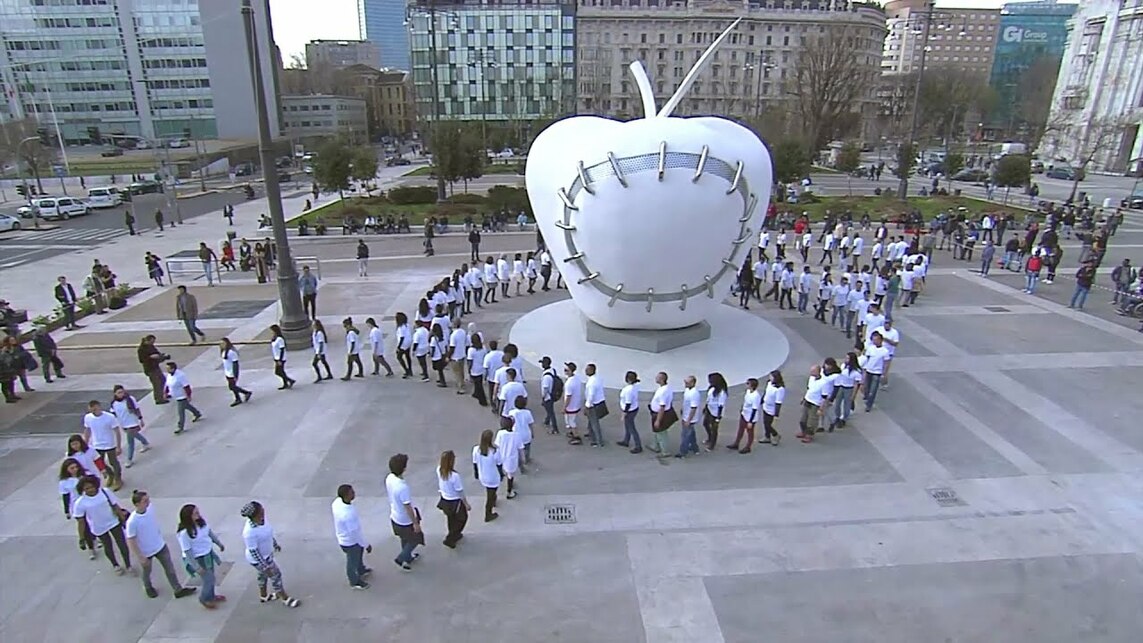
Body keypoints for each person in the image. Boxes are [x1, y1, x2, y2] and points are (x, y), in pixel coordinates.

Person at [125, 490, 196, 599]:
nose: (148, 502)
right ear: (137, 504)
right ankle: (148, 587)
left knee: (170, 569)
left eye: (148, 499)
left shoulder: (150, 508)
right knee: (147, 571)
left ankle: (177, 589)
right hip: (146, 551)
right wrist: (140, 556)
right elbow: (131, 540)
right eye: (145, 501)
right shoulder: (132, 522)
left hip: (160, 545)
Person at [240, 501, 301, 607]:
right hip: (261, 559)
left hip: (267, 554)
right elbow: (254, 551)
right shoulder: (249, 533)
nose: (263, 510)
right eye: (261, 510)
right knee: (276, 575)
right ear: (255, 515)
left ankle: (263, 596)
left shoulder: (262, 520)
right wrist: (265, 566)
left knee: (262, 576)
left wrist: (275, 544)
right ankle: (284, 598)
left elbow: (268, 533)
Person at [72, 475, 134, 575]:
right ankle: (115, 565)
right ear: (82, 489)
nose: (90, 490)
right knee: (108, 546)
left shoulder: (105, 492)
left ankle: (128, 564)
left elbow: (115, 505)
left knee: (122, 544)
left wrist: (123, 519)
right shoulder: (80, 503)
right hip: (99, 527)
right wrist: (81, 538)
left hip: (113, 522)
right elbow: (81, 522)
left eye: (92, 487)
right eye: (87, 488)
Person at [176, 504, 226, 609]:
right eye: (195, 513)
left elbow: (210, 533)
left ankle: (211, 596)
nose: (198, 514)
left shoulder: (201, 523)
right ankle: (204, 598)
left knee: (211, 576)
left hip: (207, 554)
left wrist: (219, 543)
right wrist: (197, 567)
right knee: (209, 579)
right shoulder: (184, 533)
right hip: (198, 559)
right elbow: (188, 552)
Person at [385, 453, 423, 570]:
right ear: (404, 468)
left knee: (404, 539)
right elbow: (408, 507)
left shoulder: (389, 478)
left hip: (395, 515)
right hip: (405, 520)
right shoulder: (402, 487)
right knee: (416, 539)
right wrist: (415, 523)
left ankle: (407, 558)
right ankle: (402, 557)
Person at [332, 484, 373, 589]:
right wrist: (366, 544)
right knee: (352, 561)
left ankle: (361, 569)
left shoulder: (336, 503)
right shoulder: (348, 514)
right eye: (351, 493)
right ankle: (354, 581)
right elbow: (354, 533)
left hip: (344, 537)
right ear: (346, 496)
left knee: (358, 555)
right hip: (350, 541)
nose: (354, 493)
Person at [83, 399, 124, 490]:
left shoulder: (109, 417)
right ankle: (111, 474)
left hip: (109, 444)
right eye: (92, 410)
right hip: (97, 444)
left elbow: (117, 431)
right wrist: (85, 443)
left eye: (95, 409)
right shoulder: (88, 418)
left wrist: (118, 445)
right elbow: (87, 430)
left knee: (113, 462)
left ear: (99, 407)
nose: (94, 412)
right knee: (100, 463)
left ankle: (118, 479)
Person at [59, 458, 95, 558]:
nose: (75, 469)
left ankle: (95, 537)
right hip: (77, 505)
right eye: (72, 468)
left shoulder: (85, 475)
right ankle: (90, 548)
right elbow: (65, 496)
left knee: (93, 522)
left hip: (90, 502)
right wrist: (66, 511)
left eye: (76, 467)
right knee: (84, 525)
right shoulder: (64, 482)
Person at [436, 451, 471, 549]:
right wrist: (466, 504)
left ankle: (453, 534)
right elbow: (460, 491)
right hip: (455, 501)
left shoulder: (439, 470)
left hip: (445, 499)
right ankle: (451, 537)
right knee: (462, 519)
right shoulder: (455, 476)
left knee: (451, 519)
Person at [110, 385, 150, 468]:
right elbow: (114, 414)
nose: (121, 394)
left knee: (130, 441)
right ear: (115, 394)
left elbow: (137, 409)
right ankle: (145, 442)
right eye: (119, 393)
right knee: (135, 435)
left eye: (122, 392)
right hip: (123, 423)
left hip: (132, 422)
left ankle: (129, 459)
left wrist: (140, 419)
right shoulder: (114, 403)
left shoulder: (130, 399)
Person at [164, 361, 202, 434]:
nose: (167, 370)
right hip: (175, 395)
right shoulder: (169, 375)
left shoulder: (180, 376)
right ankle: (197, 413)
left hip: (182, 396)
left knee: (180, 412)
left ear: (173, 369)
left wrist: (189, 396)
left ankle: (180, 426)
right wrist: (165, 392)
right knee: (187, 406)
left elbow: (186, 386)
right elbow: (167, 384)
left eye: (168, 369)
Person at [472, 430, 502, 522]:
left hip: (483, 476)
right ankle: (488, 514)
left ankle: (493, 500)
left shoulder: (476, 450)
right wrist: (501, 475)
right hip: (493, 477)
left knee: (490, 491)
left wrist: (476, 474)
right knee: (490, 494)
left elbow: (475, 463)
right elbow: (499, 464)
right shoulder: (494, 451)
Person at [727, 377, 761, 453]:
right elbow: (745, 402)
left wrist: (750, 421)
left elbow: (754, 409)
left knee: (750, 432)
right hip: (744, 414)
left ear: (752, 385)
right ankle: (736, 443)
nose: (746, 385)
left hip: (750, 416)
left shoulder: (756, 396)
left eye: (747, 383)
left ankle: (748, 447)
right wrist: (742, 409)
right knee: (740, 429)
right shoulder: (748, 392)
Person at [494, 414, 524, 499]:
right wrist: (522, 459)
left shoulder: (500, 433)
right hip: (511, 459)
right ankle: (509, 492)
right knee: (510, 475)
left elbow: (497, 445)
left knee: (503, 473)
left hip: (501, 456)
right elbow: (520, 448)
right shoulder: (516, 435)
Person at [860, 331, 891, 412]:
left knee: (873, 390)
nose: (874, 342)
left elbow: (886, 363)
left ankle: (869, 405)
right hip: (869, 370)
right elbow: (866, 359)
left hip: (877, 373)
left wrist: (884, 373)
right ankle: (866, 397)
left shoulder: (885, 351)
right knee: (866, 387)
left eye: (876, 340)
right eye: (873, 340)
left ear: (880, 340)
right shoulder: (871, 348)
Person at [220, 338, 253, 406]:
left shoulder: (231, 352)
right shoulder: (224, 351)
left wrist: (235, 375)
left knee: (232, 387)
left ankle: (245, 393)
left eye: (223, 343)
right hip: (227, 372)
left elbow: (235, 364)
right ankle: (239, 398)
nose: (221, 345)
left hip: (231, 372)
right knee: (232, 387)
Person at [649, 371, 674, 457]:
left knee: (661, 433)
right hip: (657, 412)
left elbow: (662, 406)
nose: (656, 378)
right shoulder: (665, 388)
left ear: (662, 379)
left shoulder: (663, 391)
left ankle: (665, 451)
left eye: (658, 377)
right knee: (657, 431)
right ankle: (655, 446)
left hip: (660, 414)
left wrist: (658, 420)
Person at [617, 370, 643, 453]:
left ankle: (638, 446)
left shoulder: (628, 390)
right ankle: (626, 440)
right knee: (628, 426)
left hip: (629, 410)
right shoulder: (635, 386)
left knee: (631, 428)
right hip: (634, 408)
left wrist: (624, 413)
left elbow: (628, 403)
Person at [702, 372, 728, 451]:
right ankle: (709, 437)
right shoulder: (712, 388)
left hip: (716, 412)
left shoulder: (722, 392)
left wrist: (718, 417)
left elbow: (721, 405)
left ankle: (712, 444)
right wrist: (705, 407)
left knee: (714, 428)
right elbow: (709, 399)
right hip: (709, 409)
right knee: (705, 423)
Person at [583, 363, 607, 447]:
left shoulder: (591, 383)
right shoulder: (597, 378)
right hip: (599, 402)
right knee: (591, 420)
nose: (585, 370)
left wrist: (587, 406)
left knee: (594, 423)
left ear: (592, 370)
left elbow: (591, 395)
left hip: (593, 404)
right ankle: (590, 432)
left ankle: (598, 441)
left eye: (587, 369)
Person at [759, 371, 785, 445]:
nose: (769, 378)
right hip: (765, 406)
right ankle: (767, 437)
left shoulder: (780, 389)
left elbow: (778, 402)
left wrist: (776, 414)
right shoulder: (769, 383)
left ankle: (775, 435)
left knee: (768, 424)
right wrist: (761, 401)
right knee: (765, 423)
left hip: (772, 409)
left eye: (771, 376)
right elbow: (765, 393)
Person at [562, 361, 585, 445]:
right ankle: (572, 432)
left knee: (571, 421)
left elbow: (568, 397)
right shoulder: (577, 378)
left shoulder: (569, 383)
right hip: (576, 404)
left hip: (571, 406)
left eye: (566, 370)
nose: (565, 371)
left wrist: (564, 407)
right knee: (572, 420)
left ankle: (576, 436)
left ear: (571, 371)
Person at [269, 324, 296, 389]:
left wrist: (280, 360)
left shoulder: (280, 339)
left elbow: (282, 349)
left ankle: (290, 380)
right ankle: (286, 383)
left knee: (278, 372)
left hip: (280, 358)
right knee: (281, 371)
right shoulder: (274, 338)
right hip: (276, 357)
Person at [448, 322, 468, 393]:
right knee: (461, 371)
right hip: (462, 354)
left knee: (457, 373)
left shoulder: (453, 335)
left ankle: (461, 388)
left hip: (455, 356)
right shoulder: (463, 332)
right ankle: (462, 383)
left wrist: (448, 356)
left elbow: (452, 347)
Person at [394, 312, 414, 379]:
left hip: (403, 344)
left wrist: (398, 347)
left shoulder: (400, 328)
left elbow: (401, 338)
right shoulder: (407, 325)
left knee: (399, 357)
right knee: (408, 356)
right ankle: (410, 370)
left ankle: (406, 370)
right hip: (408, 342)